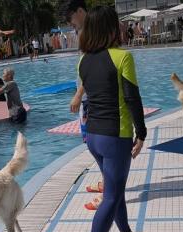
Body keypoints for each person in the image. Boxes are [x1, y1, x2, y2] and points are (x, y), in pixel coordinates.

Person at [78, 6, 146, 232]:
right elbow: (132, 99)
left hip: (93, 137)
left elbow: (91, 98)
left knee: (114, 189)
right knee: (111, 194)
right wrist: (141, 133)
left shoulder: (83, 61)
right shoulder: (122, 57)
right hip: (115, 137)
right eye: (116, 24)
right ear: (110, 28)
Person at [61, 0, 103, 209]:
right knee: (93, 143)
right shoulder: (86, 30)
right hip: (88, 97)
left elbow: (94, 66)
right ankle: (107, 183)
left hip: (90, 98)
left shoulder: (92, 31)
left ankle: (109, 191)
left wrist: (78, 94)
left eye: (71, 18)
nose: (70, 23)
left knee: (97, 144)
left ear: (79, 11)